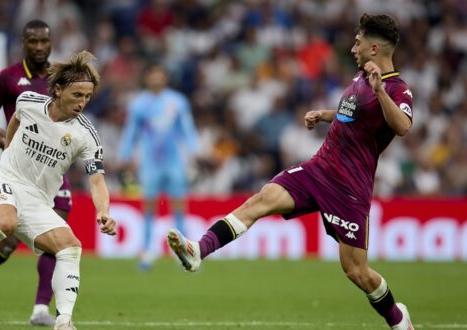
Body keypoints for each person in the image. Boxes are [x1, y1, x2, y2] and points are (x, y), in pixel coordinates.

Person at [167, 13, 414, 330]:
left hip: (349, 189)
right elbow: (352, 114)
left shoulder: (396, 88)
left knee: (356, 271)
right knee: (262, 199)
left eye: (358, 41)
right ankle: (198, 250)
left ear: (375, 47)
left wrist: (380, 91)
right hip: (319, 169)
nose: (353, 47)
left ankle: (398, 319)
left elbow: (403, 126)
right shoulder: (361, 78)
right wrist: (324, 115)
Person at [0, 50, 116, 330]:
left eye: (87, 97)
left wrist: (104, 211)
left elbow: (96, 180)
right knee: (5, 224)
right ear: (58, 89)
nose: (83, 103)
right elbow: (15, 120)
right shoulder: (28, 101)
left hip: (39, 201)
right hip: (6, 179)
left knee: (70, 247)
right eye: (77, 95)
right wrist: (7, 153)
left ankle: (64, 321)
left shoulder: (85, 134)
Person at [0, 19, 73, 326]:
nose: (39, 47)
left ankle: (39, 309)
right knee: (7, 239)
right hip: (19, 169)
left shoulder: (60, 78)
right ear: (23, 42)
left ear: (51, 43)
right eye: (32, 41)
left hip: (53, 167)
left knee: (58, 230)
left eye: (44, 41)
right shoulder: (6, 78)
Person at [118, 63, 198, 270]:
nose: (156, 79)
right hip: (150, 163)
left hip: (174, 162)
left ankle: (184, 253)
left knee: (179, 206)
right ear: (147, 79)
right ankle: (147, 251)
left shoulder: (177, 101)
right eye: (152, 76)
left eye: (159, 76)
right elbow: (131, 131)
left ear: (164, 78)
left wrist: (194, 151)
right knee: (149, 207)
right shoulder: (139, 104)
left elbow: (187, 128)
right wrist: (125, 155)